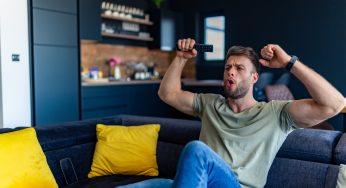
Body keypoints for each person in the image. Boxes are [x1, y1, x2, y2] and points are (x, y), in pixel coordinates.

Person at [118, 38, 346, 188]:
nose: (231, 72)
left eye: (239, 68)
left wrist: (288, 62)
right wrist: (180, 58)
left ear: (254, 78)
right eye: (228, 67)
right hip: (200, 182)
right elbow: (167, 94)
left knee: (197, 149)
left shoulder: (276, 113)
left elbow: (334, 104)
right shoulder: (210, 104)